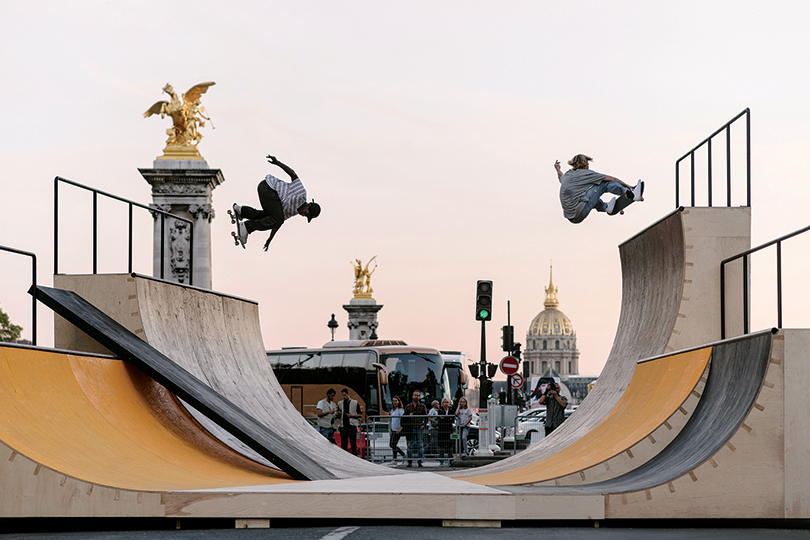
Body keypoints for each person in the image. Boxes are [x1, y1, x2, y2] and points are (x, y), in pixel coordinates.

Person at [232, 155, 321, 250]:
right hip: (268, 187)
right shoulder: (302, 193)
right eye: (306, 212)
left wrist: (270, 239)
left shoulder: (293, 212)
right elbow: (293, 174)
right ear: (308, 205)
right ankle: (247, 227)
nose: (303, 215)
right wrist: (277, 162)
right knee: (277, 218)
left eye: (305, 216)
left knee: (270, 217)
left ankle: (242, 211)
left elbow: (276, 223)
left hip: (268, 192)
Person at [555, 154, 643, 224]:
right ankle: (631, 194)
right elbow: (612, 179)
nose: (588, 167)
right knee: (602, 184)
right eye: (587, 164)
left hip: (571, 217)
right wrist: (627, 186)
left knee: (587, 194)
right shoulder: (585, 173)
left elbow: (560, 177)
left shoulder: (567, 175)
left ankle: (606, 207)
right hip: (579, 212)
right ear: (584, 164)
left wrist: (558, 169)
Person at [404, 390, 427, 467]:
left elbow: (426, 417)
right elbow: (404, 417)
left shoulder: (422, 406)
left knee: (420, 445)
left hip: (419, 427)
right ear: (412, 396)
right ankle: (409, 461)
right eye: (415, 395)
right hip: (411, 428)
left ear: (419, 397)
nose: (416, 397)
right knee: (410, 445)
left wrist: (424, 424)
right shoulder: (408, 406)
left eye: (418, 395)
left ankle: (419, 461)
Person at [336, 388, 363, 456]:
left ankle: (354, 457)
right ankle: (344, 458)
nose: (344, 397)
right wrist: (338, 414)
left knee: (353, 444)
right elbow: (338, 415)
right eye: (343, 395)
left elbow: (360, 415)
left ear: (348, 394)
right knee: (344, 445)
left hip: (352, 426)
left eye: (345, 395)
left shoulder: (355, 403)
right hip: (343, 426)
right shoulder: (340, 403)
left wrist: (351, 416)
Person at [388, 396, 407, 463]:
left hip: (397, 429)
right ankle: (395, 459)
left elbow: (403, 419)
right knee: (393, 444)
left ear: (399, 402)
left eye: (396, 401)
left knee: (392, 444)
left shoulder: (400, 410)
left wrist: (399, 428)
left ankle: (403, 455)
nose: (395, 402)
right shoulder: (392, 410)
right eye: (393, 401)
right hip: (393, 429)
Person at [437, 398, 455, 465]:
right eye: (444, 402)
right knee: (441, 446)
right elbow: (440, 420)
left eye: (447, 402)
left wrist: (445, 418)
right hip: (442, 430)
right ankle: (441, 461)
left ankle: (450, 460)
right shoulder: (440, 411)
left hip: (449, 430)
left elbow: (452, 419)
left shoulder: (451, 411)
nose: (445, 404)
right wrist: (448, 419)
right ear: (442, 403)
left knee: (450, 446)